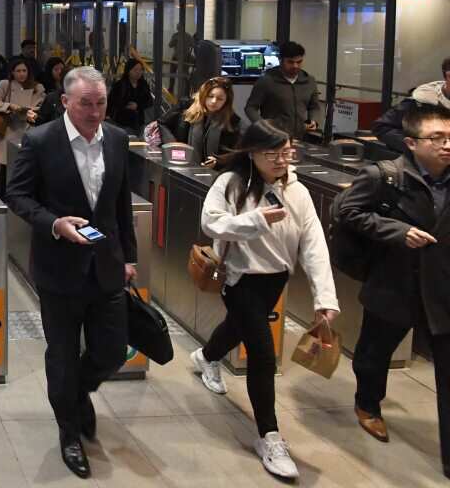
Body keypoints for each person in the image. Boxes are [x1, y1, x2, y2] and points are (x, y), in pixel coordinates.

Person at [3, 66, 138, 480]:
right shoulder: (41, 141)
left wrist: (130, 257)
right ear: (65, 102)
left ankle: (78, 392)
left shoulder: (116, 138)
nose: (95, 112)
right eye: (85, 104)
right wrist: (54, 223)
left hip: (107, 264)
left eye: (101, 103)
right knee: (61, 354)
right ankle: (68, 432)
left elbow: (121, 206)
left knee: (112, 351)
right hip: (59, 268)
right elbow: (17, 194)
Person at [191, 119, 339, 480]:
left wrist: (325, 297)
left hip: (275, 281)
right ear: (252, 152)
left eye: (286, 152)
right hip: (239, 278)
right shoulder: (231, 183)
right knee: (262, 353)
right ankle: (269, 436)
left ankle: (206, 357)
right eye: (272, 154)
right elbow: (211, 223)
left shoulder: (297, 190)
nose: (281, 160)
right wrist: (255, 221)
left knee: (237, 329)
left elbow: (314, 244)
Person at [340, 103, 450, 475]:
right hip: (396, 280)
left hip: (443, 288)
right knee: (374, 353)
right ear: (411, 142)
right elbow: (348, 211)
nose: (446, 145)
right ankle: (368, 404)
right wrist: (398, 231)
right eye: (437, 138)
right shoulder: (385, 176)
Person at [145, 77, 241, 166]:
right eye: (210, 96)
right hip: (181, 163)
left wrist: (218, 161)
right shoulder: (186, 106)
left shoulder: (232, 119)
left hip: (212, 171)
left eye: (220, 99)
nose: (214, 101)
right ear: (203, 95)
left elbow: (234, 151)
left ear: (226, 101)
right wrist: (174, 144)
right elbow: (162, 123)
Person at [0, 58, 46, 195]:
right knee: (5, 171)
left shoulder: (38, 88)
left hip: (28, 131)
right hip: (9, 131)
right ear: (12, 72)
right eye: (18, 71)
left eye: (24, 70)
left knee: (26, 170)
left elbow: (41, 107)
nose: (21, 74)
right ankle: (2, 198)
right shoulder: (5, 85)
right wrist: (10, 106)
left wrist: (31, 112)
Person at [244, 41, 323, 140]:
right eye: (290, 62)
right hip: (274, 138)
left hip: (300, 137)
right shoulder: (266, 81)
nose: (295, 66)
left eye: (299, 62)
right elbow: (250, 108)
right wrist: (264, 127)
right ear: (280, 60)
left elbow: (314, 107)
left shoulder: (309, 81)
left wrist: (314, 120)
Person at [372, 56, 450, 153]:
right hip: (428, 160)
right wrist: (418, 147)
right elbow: (382, 127)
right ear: (448, 76)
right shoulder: (422, 101)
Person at [108, 59, 154, 133]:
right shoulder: (120, 85)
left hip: (139, 122)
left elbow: (149, 101)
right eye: (135, 70)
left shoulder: (143, 84)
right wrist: (125, 106)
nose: (138, 72)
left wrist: (137, 106)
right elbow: (111, 102)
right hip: (122, 123)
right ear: (128, 71)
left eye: (140, 70)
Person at [36, 57, 70, 126]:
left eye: (61, 69)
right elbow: (42, 120)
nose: (59, 72)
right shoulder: (52, 96)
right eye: (56, 69)